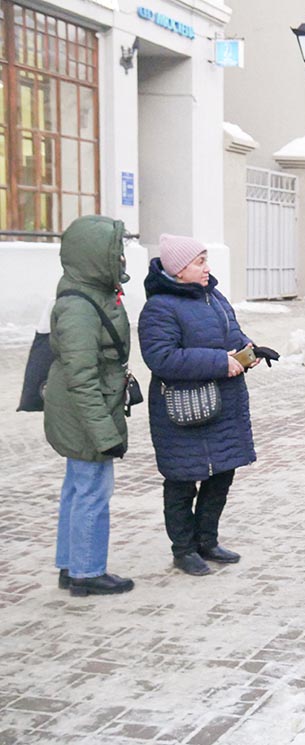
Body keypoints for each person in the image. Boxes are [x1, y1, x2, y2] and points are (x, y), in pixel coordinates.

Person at [139, 235, 267, 576]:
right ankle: (183, 550)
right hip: (183, 410)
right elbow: (161, 357)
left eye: (206, 259)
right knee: (182, 480)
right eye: (199, 262)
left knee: (222, 474)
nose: (207, 267)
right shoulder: (159, 307)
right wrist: (218, 363)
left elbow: (232, 334)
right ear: (178, 271)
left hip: (223, 405)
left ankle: (207, 540)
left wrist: (249, 350)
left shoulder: (215, 297)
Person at [44, 215, 135, 596]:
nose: (122, 259)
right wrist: (105, 434)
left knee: (78, 488)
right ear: (96, 255)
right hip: (85, 414)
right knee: (92, 491)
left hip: (80, 410)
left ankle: (71, 564)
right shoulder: (80, 306)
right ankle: (87, 571)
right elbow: (82, 378)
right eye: (117, 251)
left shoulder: (88, 291)